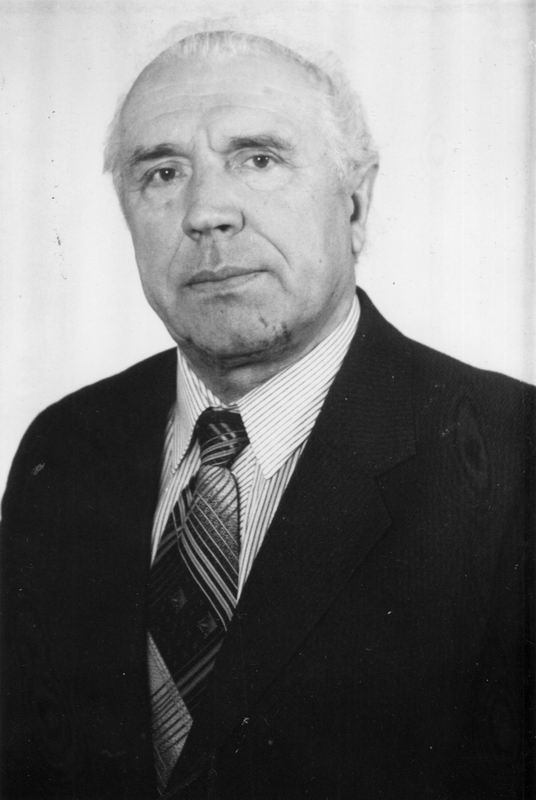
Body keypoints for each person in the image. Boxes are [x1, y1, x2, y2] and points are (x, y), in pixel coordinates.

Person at [1, 28, 534, 800]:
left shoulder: (512, 454)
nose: (206, 211)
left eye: (258, 159)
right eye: (163, 172)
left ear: (356, 202)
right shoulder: (65, 448)